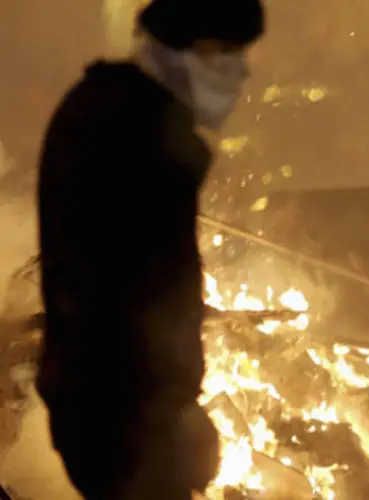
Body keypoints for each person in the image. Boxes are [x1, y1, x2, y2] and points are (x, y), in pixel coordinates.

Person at [35, 1, 264, 498]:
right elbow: (137, 293)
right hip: (126, 421)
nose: (241, 72)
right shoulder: (139, 130)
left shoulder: (99, 106)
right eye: (227, 53)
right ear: (186, 49)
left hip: (103, 409)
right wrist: (172, 415)